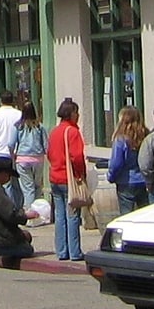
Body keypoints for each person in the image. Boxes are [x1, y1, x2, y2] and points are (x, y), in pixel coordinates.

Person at [47, 97, 89, 262]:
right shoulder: (72, 132)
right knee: (72, 215)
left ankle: (61, 250)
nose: (78, 115)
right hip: (68, 178)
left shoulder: (54, 131)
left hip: (55, 177)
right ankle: (74, 251)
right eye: (76, 112)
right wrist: (81, 173)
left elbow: (49, 153)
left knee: (59, 215)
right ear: (71, 114)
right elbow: (77, 156)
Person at [107, 105, 148, 215]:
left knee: (126, 215)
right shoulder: (146, 137)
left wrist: (111, 176)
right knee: (144, 214)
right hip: (143, 180)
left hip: (125, 181)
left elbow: (116, 163)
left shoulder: (120, 139)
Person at [12, 102, 47, 212]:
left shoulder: (18, 126)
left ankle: (29, 211)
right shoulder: (40, 126)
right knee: (37, 186)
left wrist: (13, 156)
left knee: (27, 187)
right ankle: (37, 210)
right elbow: (46, 145)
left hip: (22, 159)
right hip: (38, 159)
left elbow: (11, 143)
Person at [0, 90, 22, 174]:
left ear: (0, 101)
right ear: (13, 101)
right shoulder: (20, 115)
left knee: (1, 183)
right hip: (17, 154)